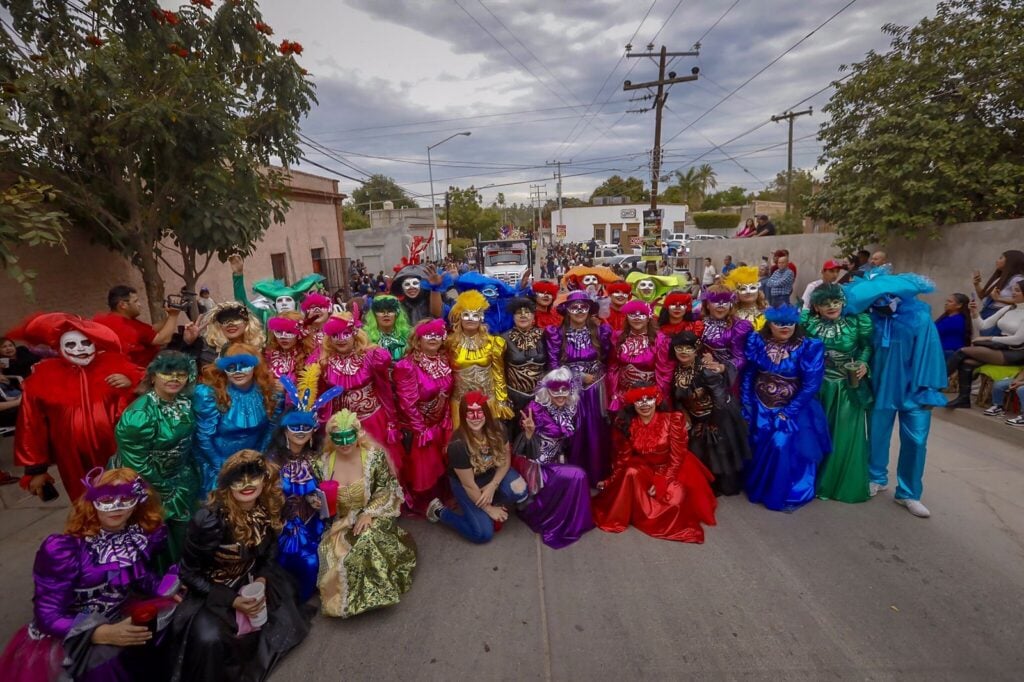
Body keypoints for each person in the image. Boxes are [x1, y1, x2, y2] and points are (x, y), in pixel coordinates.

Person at [1, 468, 176, 682]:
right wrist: (98, 632)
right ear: (92, 501)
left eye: (126, 498)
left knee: (172, 627)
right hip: (68, 636)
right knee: (107, 663)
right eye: (107, 498)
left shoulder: (133, 538)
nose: (116, 507)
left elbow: (139, 577)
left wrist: (170, 588)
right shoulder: (63, 550)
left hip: (116, 617)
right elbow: (47, 615)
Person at [169, 451, 310, 682]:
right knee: (209, 640)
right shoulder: (209, 521)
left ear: (264, 478)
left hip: (250, 580)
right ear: (226, 484)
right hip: (213, 589)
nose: (246, 485)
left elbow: (270, 552)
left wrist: (262, 579)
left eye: (253, 476)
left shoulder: (268, 506)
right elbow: (188, 573)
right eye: (238, 478)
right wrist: (232, 600)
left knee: (282, 611)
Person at [844, 270, 948, 518]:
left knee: (916, 441)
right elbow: (861, 350)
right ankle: (876, 477)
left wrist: (929, 389)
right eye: (876, 299)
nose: (881, 302)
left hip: (914, 390)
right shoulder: (869, 320)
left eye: (886, 296)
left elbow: (931, 352)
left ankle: (909, 493)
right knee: (876, 436)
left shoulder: (920, 316)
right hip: (880, 388)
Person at [10, 313, 143, 500]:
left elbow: (156, 390)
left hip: (118, 452)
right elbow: (31, 425)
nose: (80, 349)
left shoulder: (117, 369)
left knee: (128, 498)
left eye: (86, 343)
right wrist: (36, 469)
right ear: (59, 348)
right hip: (72, 459)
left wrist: (134, 384)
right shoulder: (43, 380)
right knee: (85, 503)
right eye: (71, 344)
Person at [316, 409, 416, 617]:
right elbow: (318, 497)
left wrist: (369, 513)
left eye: (349, 436)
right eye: (338, 438)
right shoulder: (322, 464)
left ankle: (380, 592)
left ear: (357, 435)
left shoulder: (373, 457)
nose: (344, 443)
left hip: (375, 514)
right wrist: (316, 502)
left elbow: (386, 488)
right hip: (341, 523)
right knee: (343, 554)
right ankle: (353, 597)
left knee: (367, 537)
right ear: (331, 439)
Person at [591, 385, 717, 542]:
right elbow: (622, 460)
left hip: (674, 467)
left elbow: (677, 457)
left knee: (674, 501)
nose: (644, 405)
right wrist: (611, 481)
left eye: (649, 399)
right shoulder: (627, 424)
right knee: (631, 472)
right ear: (632, 404)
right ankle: (631, 512)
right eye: (639, 400)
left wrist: (663, 481)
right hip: (645, 468)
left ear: (656, 400)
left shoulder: (673, 420)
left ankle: (648, 512)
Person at [112, 351, 200, 568]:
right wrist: (165, 489)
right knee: (158, 531)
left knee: (187, 527)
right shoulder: (140, 414)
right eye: (167, 374)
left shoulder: (184, 401)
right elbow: (136, 462)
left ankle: (187, 572)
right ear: (153, 377)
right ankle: (164, 580)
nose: (175, 379)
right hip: (147, 481)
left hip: (179, 474)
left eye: (181, 374)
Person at [742, 305, 831, 511]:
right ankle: (757, 487)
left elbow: (811, 385)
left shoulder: (808, 347)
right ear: (769, 325)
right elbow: (749, 374)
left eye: (790, 323)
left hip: (792, 409)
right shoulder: (759, 342)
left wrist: (788, 412)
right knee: (755, 442)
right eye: (779, 323)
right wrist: (746, 403)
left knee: (780, 444)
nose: (785, 327)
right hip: (759, 404)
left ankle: (779, 491)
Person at [266, 367, 342, 602]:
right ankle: (299, 597)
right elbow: (269, 497)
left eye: (305, 428)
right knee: (308, 559)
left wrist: (318, 499)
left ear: (312, 432)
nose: (300, 432)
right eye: (295, 427)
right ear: (285, 431)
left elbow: (325, 488)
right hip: (288, 525)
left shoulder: (318, 457)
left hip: (318, 521)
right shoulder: (273, 460)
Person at [802, 284, 874, 503]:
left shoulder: (857, 322)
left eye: (835, 302)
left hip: (846, 386)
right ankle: (812, 482)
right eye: (825, 303)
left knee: (843, 436)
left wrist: (863, 363)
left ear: (843, 302)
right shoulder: (809, 324)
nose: (831, 307)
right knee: (816, 434)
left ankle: (838, 484)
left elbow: (866, 346)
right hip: (819, 386)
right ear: (816, 307)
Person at [427, 392, 530, 544]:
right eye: (470, 413)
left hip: (491, 473)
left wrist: (492, 486)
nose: (475, 418)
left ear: (486, 413)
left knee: (520, 489)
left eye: (479, 412)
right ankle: (440, 511)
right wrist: (490, 510)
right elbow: (468, 485)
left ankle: (490, 500)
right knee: (482, 534)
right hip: (467, 484)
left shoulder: (499, 428)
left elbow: (505, 460)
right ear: (463, 415)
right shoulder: (457, 445)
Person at [659, 331, 750, 496]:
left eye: (689, 348)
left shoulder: (706, 369)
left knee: (716, 450)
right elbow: (677, 397)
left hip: (717, 416)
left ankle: (718, 486)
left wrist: (711, 423)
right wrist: (684, 415)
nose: (684, 352)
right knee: (695, 451)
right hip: (694, 416)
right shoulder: (676, 370)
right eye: (680, 348)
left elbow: (720, 399)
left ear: (696, 350)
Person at [512, 368, 595, 548]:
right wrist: (529, 433)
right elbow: (523, 447)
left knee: (576, 476)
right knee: (578, 475)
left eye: (564, 389)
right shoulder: (535, 409)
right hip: (536, 465)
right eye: (555, 390)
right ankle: (561, 519)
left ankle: (571, 518)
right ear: (546, 390)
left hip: (556, 461)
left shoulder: (569, 407)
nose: (560, 394)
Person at [192, 344, 282, 496]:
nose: (238, 371)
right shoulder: (209, 394)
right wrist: (221, 466)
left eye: (244, 365)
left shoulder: (270, 392)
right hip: (218, 463)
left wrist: (258, 458)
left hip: (254, 461)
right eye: (231, 367)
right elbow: (203, 437)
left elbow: (271, 428)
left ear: (255, 366)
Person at [318, 314, 404, 473]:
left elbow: (384, 385)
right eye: (335, 335)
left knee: (380, 463)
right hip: (342, 427)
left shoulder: (370, 356)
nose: (341, 339)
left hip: (372, 420)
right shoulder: (324, 362)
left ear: (354, 334)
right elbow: (322, 397)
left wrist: (391, 420)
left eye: (345, 334)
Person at [545, 291, 614, 486]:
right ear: (567, 310)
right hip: (568, 391)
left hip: (595, 391)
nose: (579, 311)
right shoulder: (556, 334)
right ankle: (576, 478)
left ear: (590, 310)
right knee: (573, 432)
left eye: (583, 307)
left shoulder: (601, 332)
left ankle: (598, 475)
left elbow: (607, 360)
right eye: (574, 307)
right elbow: (553, 366)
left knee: (597, 431)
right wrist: (577, 377)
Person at [393, 319, 454, 515]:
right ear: (417, 340)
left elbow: (447, 392)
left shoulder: (444, 360)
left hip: (441, 423)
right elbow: (407, 403)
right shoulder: (407, 366)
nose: (433, 338)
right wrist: (421, 430)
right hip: (419, 428)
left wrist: (445, 418)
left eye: (437, 334)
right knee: (425, 471)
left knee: (443, 466)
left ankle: (442, 500)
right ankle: (426, 505)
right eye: (428, 334)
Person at [946, 281, 1024, 408]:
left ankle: (935, 384)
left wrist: (990, 338)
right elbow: (983, 325)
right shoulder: (1008, 308)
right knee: (967, 362)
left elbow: (1018, 340)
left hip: (1016, 352)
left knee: (962, 351)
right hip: (1001, 346)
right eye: (1013, 290)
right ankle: (963, 399)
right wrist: (974, 313)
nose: (1013, 293)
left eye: (1018, 290)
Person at [446, 290, 514, 426]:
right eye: (466, 315)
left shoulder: (493, 343)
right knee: (462, 440)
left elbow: (498, 374)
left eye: (475, 315)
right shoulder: (449, 343)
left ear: (481, 318)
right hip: (460, 403)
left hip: (487, 400)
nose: (470, 318)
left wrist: (501, 401)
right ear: (459, 318)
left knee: (489, 438)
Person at [94, 285, 182, 368]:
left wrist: (170, 315)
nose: (140, 304)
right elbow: (162, 340)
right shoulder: (124, 326)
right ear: (122, 305)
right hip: (134, 373)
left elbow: (150, 331)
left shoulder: (114, 320)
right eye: (135, 301)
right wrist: (173, 316)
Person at [228, 253, 325, 326]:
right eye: (280, 300)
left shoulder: (306, 319)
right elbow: (242, 305)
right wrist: (238, 276)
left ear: (295, 303)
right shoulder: (266, 317)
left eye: (287, 299)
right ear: (275, 304)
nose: (283, 303)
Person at [607, 300, 666, 413]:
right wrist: (614, 393)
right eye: (632, 314)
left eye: (642, 314)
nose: (637, 318)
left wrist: (658, 396)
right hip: (623, 395)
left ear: (649, 317)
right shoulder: (617, 337)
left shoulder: (660, 340)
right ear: (627, 318)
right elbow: (612, 367)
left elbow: (664, 372)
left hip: (648, 398)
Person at [502, 297, 548, 426]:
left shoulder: (545, 335)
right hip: (514, 397)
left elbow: (552, 364)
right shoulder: (503, 338)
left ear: (533, 316)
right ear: (513, 317)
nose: (523, 315)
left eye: (527, 312)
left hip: (541, 397)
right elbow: (499, 370)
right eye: (518, 313)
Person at [699, 286, 755, 390]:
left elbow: (741, 358)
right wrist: (703, 357)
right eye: (716, 301)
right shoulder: (699, 322)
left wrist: (722, 367)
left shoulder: (738, 327)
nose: (721, 305)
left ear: (730, 305)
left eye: (725, 301)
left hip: (728, 379)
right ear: (707, 304)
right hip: (703, 374)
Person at [972, 250, 1024, 326]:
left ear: (1010, 261)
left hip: (1001, 316)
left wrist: (999, 299)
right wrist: (976, 284)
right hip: (988, 313)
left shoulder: (1017, 279)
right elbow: (984, 298)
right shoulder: (999, 278)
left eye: (1001, 258)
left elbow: (1021, 301)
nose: (997, 260)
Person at [264, 312, 314, 383]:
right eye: (279, 331)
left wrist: (286, 388)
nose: (283, 336)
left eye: (289, 332)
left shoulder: (309, 356)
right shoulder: (268, 355)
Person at [362, 294, 412, 361]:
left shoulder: (409, 335)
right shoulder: (365, 337)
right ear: (374, 315)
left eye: (390, 311)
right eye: (381, 311)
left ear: (397, 314)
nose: (386, 314)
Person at [724, 265, 766, 331]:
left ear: (758, 291)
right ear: (737, 293)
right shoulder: (731, 315)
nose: (748, 292)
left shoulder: (768, 313)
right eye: (743, 289)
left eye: (752, 288)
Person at [934, 293, 974, 359]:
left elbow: (936, 331)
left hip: (948, 353)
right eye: (946, 301)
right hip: (941, 351)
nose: (946, 303)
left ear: (959, 305)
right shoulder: (946, 318)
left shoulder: (958, 320)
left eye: (950, 301)